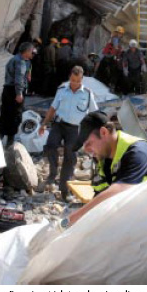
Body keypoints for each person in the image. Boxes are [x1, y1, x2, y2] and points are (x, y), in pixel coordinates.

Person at [59, 110, 147, 227]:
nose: (86, 150)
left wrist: (72, 219)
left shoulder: (138, 152)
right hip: (139, 221)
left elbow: (119, 190)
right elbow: (100, 197)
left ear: (104, 132)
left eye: (89, 143)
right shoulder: (103, 160)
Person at [38, 66, 98, 201]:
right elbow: (53, 108)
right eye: (72, 80)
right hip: (59, 124)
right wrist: (44, 124)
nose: (75, 83)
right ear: (69, 78)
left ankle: (64, 189)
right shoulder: (62, 90)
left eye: (78, 81)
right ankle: (53, 173)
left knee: (70, 157)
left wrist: (93, 133)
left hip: (75, 129)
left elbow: (94, 114)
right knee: (50, 145)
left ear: (82, 80)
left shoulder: (88, 94)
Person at [0, 42, 35, 147]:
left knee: (5, 114)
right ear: (26, 51)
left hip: (7, 89)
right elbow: (19, 78)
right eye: (31, 51)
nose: (33, 53)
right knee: (15, 116)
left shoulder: (14, 59)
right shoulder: (21, 62)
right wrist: (19, 93)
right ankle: (9, 144)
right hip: (14, 91)